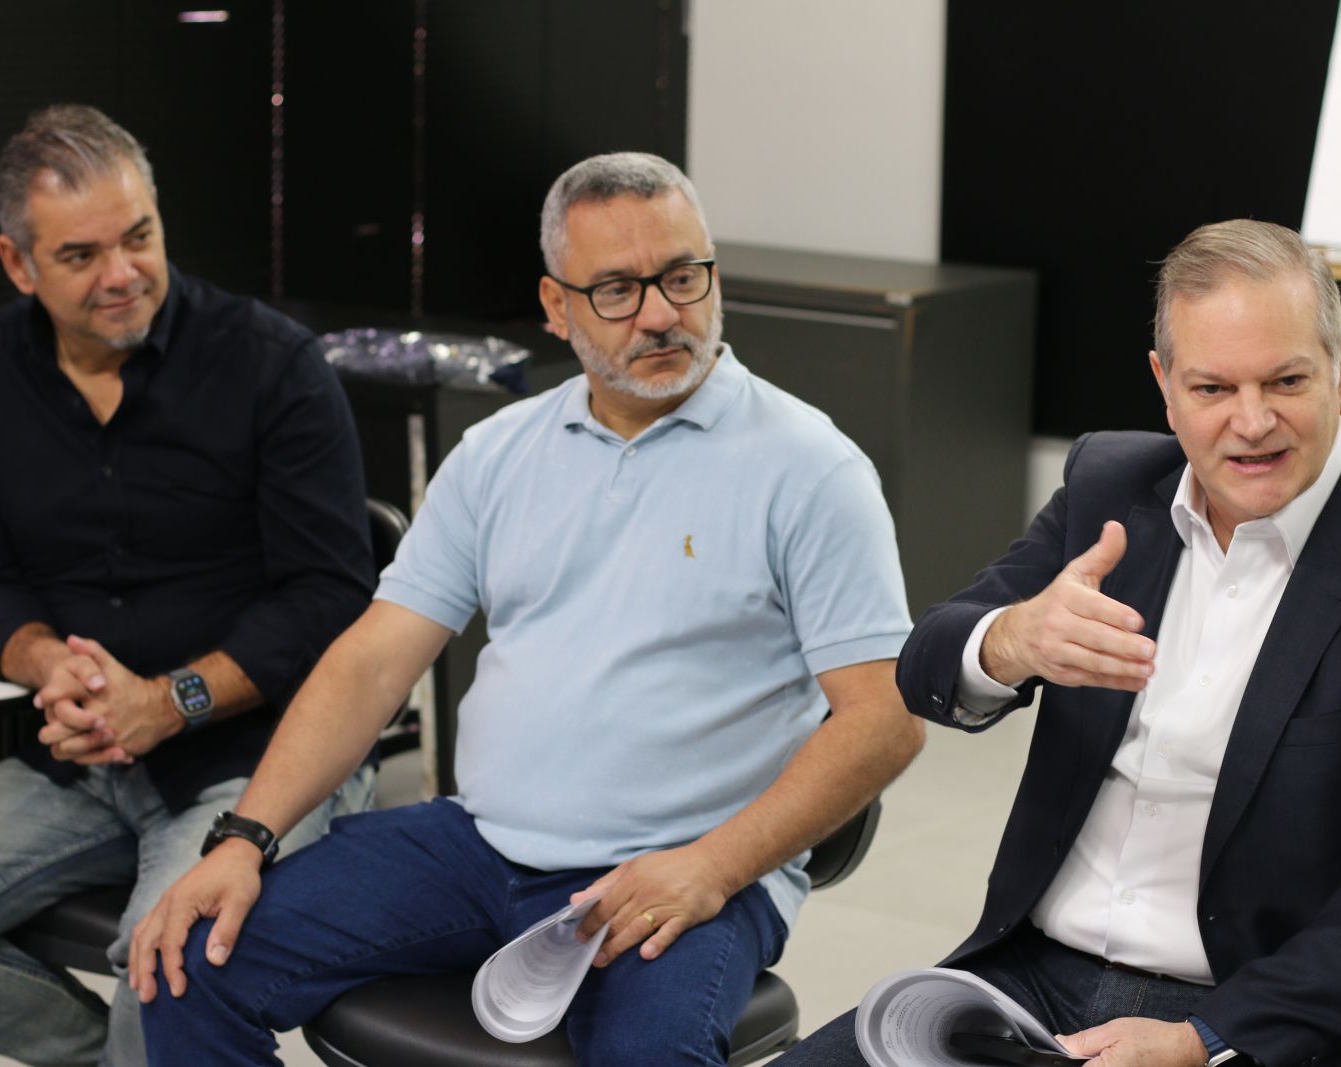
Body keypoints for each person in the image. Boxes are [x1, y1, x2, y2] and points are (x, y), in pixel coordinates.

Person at [127, 151, 924, 1066]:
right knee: (188, 960)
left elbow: (886, 719)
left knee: (647, 1054)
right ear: (556, 306)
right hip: (478, 843)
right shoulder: (497, 453)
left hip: (681, 865)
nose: (661, 314)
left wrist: (714, 865)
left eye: (683, 276)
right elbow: (374, 661)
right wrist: (243, 838)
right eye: (617, 290)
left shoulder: (809, 468)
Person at [783, 219, 1341, 1067]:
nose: (1252, 421)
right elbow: (924, 667)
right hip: (1034, 981)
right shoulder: (1110, 486)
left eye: (1286, 380)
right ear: (1164, 385)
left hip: (1262, 1018)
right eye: (1212, 388)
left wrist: (1202, 1040)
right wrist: (1012, 640)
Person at [0, 104, 377, 1067]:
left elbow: (328, 599)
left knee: (163, 970)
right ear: (18, 263)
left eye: (138, 236)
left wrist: (169, 700)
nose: (122, 274)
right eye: (80, 255)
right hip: (81, 759)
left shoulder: (272, 364)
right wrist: (46, 666)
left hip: (256, 756)